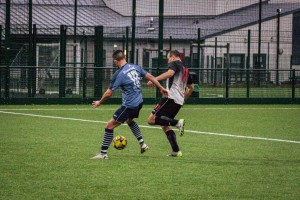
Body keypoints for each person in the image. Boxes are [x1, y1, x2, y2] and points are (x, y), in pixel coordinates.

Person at [91, 50, 168, 159]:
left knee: (109, 126)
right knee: (129, 121)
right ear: (125, 57)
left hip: (129, 105)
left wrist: (100, 102)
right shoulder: (135, 67)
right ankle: (143, 144)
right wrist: (161, 88)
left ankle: (103, 154)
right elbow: (150, 76)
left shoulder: (119, 74)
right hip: (139, 103)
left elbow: (109, 93)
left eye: (115, 62)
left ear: (116, 61)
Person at [147, 50, 194, 157]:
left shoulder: (174, 63)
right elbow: (191, 88)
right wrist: (183, 99)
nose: (168, 62)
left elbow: (170, 73)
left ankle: (177, 123)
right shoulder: (186, 69)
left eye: (168, 58)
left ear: (173, 57)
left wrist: (154, 79)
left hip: (170, 97)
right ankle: (176, 151)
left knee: (151, 119)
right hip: (178, 101)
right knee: (164, 125)